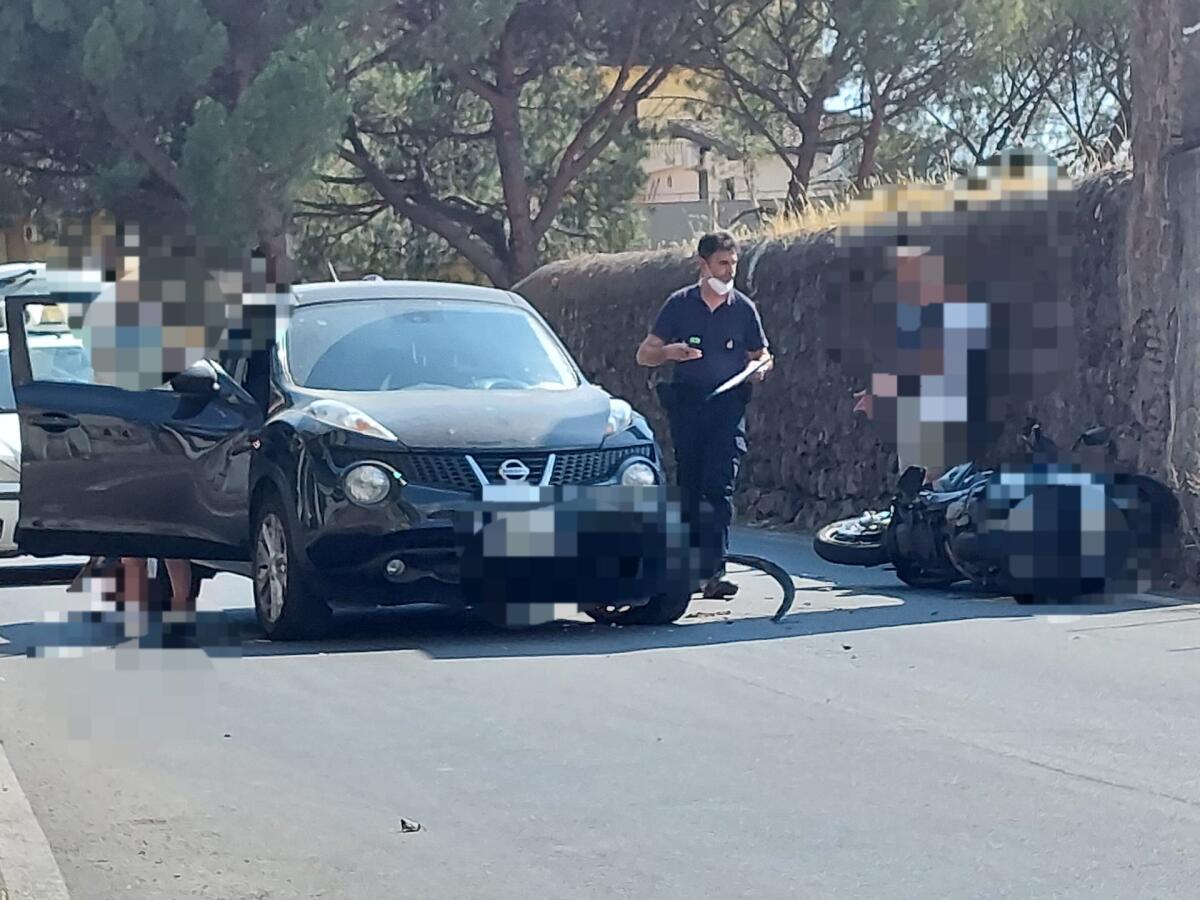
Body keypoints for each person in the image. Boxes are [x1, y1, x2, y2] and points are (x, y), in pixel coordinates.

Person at [636, 231, 773, 599]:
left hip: (728, 409)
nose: (729, 272)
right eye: (722, 264)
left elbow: (761, 353)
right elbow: (644, 354)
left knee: (719, 487)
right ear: (703, 264)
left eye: (733, 264)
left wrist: (759, 367)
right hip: (689, 406)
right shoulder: (679, 305)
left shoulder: (743, 308)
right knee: (691, 488)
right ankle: (686, 568)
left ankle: (715, 571)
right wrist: (670, 352)